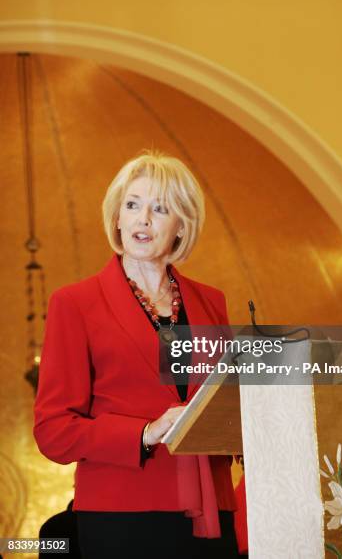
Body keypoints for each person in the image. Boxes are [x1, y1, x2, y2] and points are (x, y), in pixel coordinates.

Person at [33, 152, 239, 558]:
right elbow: (53, 431)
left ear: (182, 226)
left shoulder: (212, 303)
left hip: (213, 512)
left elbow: (228, 405)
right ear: (117, 219)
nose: (142, 219)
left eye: (160, 209)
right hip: (122, 517)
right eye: (132, 205)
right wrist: (144, 433)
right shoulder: (75, 303)